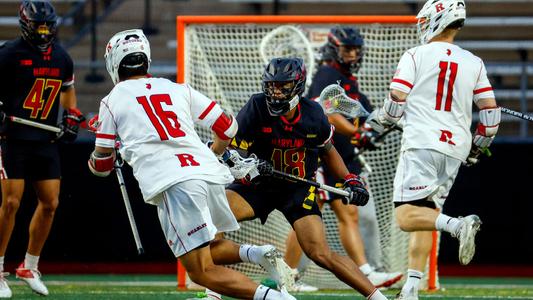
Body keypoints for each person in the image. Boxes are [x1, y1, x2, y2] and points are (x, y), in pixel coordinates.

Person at [88, 29, 295, 300]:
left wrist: (108, 149)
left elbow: (101, 167)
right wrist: (213, 153)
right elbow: (229, 127)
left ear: (114, 62)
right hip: (208, 173)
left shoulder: (112, 100)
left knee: (201, 271)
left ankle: (278, 299)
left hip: (175, 182)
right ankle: (255, 253)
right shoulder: (177, 88)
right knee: (211, 247)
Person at [209, 57, 389, 300]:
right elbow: (233, 148)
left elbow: (328, 150)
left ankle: (379, 298)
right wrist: (247, 162)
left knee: (320, 253)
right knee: (212, 222)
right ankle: (214, 291)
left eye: (283, 87)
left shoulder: (313, 115)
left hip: (298, 189)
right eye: (272, 86)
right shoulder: (257, 106)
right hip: (258, 185)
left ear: (298, 86)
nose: (276, 92)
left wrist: (350, 178)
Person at [367, 1, 499, 299]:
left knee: (405, 217)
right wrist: (478, 147)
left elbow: (396, 99)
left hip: (422, 143)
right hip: (455, 148)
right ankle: (412, 289)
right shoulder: (474, 61)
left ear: (437, 20)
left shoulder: (415, 54)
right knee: (425, 214)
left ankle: (457, 225)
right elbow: (490, 116)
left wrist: (379, 122)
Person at [283, 26, 403, 290]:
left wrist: (375, 128)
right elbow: (325, 113)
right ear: (333, 49)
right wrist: (358, 133)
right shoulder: (327, 74)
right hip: (321, 156)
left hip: (340, 156)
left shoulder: (349, 81)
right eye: (348, 49)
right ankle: (286, 276)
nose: (353, 54)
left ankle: (364, 271)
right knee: (307, 216)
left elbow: (363, 117)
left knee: (347, 214)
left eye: (356, 49)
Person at [0, 1, 84, 297]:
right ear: (26, 25)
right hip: (14, 140)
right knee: (11, 203)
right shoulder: (9, 54)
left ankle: (30, 265)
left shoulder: (62, 57)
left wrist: (72, 115)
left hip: (44, 140)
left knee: (50, 203)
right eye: (39, 26)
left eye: (48, 26)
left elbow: (68, 90)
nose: (44, 31)